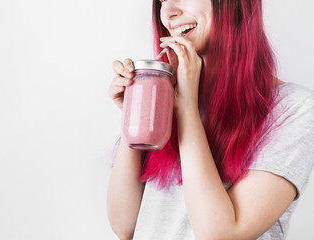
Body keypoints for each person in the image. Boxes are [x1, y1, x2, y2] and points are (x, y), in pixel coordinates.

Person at [107, 0, 314, 239]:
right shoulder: (167, 97)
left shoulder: (295, 109)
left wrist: (186, 108)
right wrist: (134, 115)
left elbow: (221, 234)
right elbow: (125, 226)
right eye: (162, 0)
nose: (168, 12)